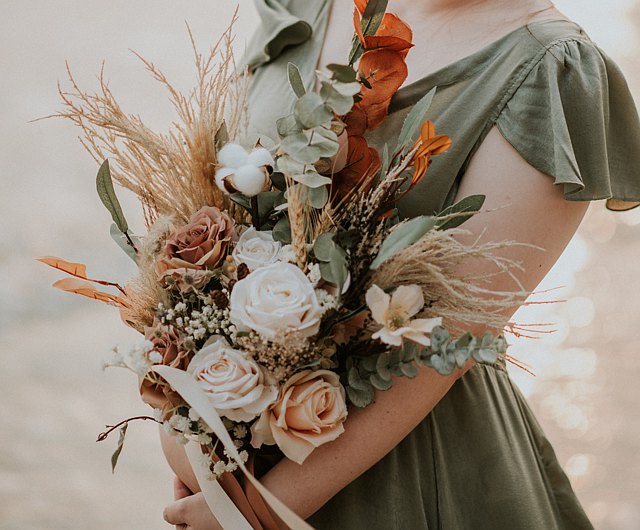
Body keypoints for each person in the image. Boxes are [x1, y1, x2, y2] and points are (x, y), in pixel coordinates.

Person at [162, 0, 640, 528]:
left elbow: (444, 342)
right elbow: (210, 217)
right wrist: (184, 422)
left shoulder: (549, 69)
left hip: (413, 472)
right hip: (227, 460)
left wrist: (259, 512)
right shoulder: (307, 8)